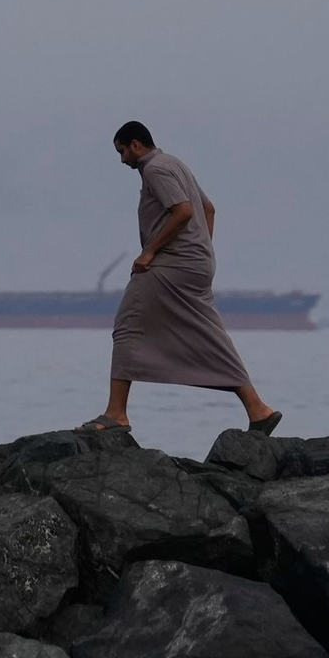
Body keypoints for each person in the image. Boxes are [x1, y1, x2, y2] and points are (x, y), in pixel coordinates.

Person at [76, 121, 281, 436]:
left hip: (170, 264)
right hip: (196, 264)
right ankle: (258, 409)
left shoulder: (155, 169)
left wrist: (149, 252)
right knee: (209, 334)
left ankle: (116, 413)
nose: (122, 161)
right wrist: (202, 252)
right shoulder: (175, 163)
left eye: (121, 152)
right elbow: (208, 210)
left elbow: (183, 211)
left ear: (135, 144)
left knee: (128, 324)